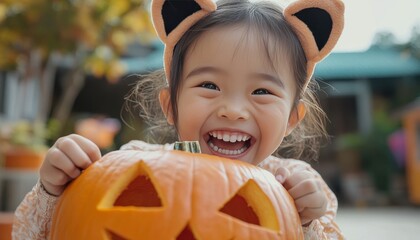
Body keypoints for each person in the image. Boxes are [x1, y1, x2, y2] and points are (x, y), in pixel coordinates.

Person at [13, 0, 345, 239]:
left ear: (291, 118)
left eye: (261, 91)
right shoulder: (132, 165)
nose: (233, 109)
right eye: (209, 85)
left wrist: (306, 224)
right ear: (171, 105)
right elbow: (34, 235)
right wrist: (55, 191)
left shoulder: (294, 185)